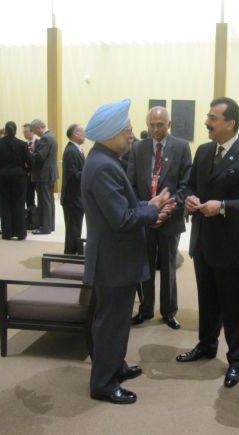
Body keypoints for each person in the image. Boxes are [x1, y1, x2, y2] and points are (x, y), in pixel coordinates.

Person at [82, 99, 174, 405]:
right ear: (110, 134)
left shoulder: (105, 160)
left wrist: (149, 210)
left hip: (117, 258)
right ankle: (104, 383)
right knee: (111, 323)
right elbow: (122, 219)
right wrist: (152, 208)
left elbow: (124, 208)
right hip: (113, 261)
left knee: (117, 321)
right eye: (128, 131)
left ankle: (114, 366)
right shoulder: (103, 167)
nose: (133, 136)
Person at [176, 97, 239, 388]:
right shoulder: (204, 151)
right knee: (208, 301)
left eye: (212, 118)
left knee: (234, 307)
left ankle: (236, 360)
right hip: (204, 242)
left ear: (230, 123)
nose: (206, 122)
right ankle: (206, 345)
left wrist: (225, 206)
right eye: (208, 116)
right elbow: (190, 186)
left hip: (233, 246)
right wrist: (188, 198)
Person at [127, 106, 192, 330]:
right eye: (152, 125)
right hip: (144, 219)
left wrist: (165, 210)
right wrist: (146, 210)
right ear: (147, 125)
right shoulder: (138, 148)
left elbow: (185, 185)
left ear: (169, 124)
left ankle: (169, 312)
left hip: (169, 220)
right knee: (143, 266)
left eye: (161, 124)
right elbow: (131, 183)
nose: (156, 129)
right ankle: (145, 309)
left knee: (168, 268)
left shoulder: (182, 147)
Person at [0, 121, 33, 240]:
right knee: (19, 204)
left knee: (5, 205)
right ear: (16, 131)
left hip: (2, 177)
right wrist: (26, 171)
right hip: (19, 178)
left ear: (6, 131)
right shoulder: (22, 144)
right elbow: (30, 162)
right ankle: (20, 233)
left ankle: (7, 233)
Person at [30, 119, 58, 234]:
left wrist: (30, 154)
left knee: (44, 201)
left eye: (34, 131)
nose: (35, 134)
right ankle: (50, 225)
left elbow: (40, 157)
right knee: (49, 200)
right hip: (49, 173)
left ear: (38, 127)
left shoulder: (46, 138)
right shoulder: (51, 136)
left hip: (44, 174)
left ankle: (45, 227)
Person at [61, 124, 86, 254]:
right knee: (72, 228)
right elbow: (73, 175)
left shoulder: (75, 149)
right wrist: (89, 171)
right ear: (75, 134)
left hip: (76, 196)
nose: (85, 134)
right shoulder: (71, 151)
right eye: (82, 132)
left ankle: (74, 251)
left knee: (76, 227)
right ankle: (70, 254)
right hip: (72, 197)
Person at [22, 123, 38, 209]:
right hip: (27, 175)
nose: (24, 134)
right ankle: (30, 215)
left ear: (32, 132)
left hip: (37, 174)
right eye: (23, 132)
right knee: (28, 196)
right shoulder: (24, 144)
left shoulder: (39, 142)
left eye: (26, 131)